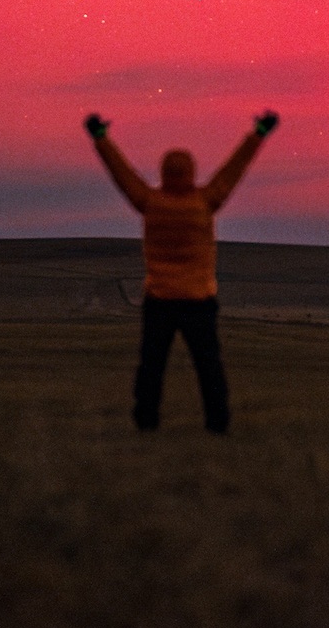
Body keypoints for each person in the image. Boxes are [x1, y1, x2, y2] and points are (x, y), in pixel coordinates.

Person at [85, 109, 278, 433]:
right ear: (191, 171)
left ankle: (146, 422)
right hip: (198, 298)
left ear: (163, 172)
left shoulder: (150, 201)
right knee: (208, 367)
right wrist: (258, 133)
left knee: (152, 367)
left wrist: (101, 139)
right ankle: (217, 424)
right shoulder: (205, 201)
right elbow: (234, 169)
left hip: (159, 298)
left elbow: (122, 174)